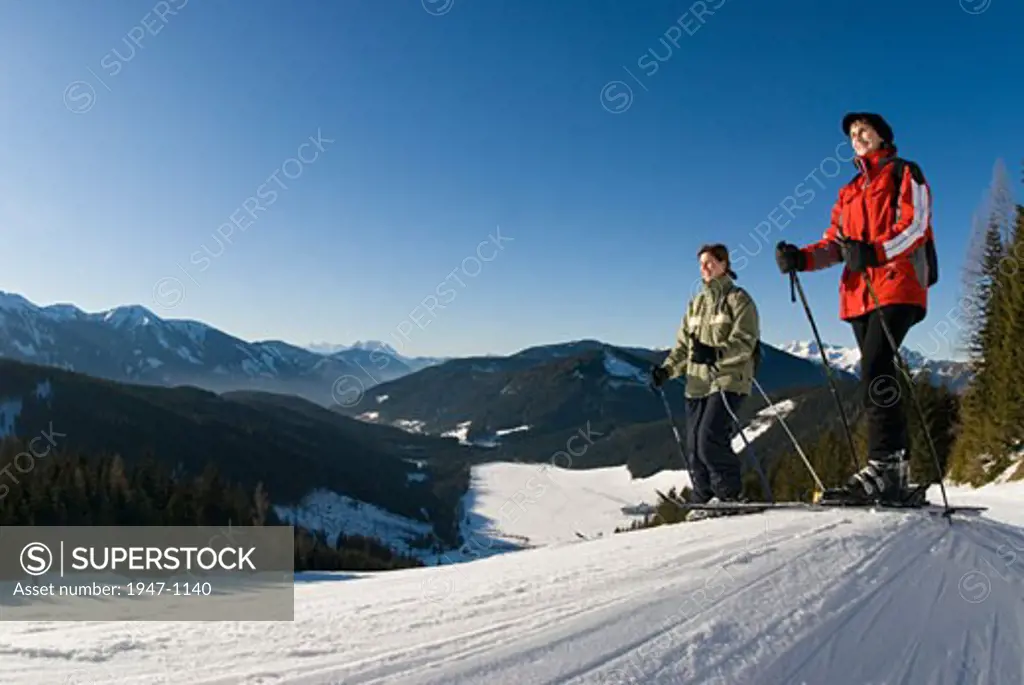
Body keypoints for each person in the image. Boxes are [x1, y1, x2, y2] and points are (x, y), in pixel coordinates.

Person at [775, 112, 934, 504]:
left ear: (883, 136)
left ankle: (884, 465)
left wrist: (875, 251)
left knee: (877, 365)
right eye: (852, 134)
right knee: (877, 373)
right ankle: (894, 467)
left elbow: (916, 226)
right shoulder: (847, 192)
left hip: (898, 285)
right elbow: (834, 244)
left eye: (864, 130)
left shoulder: (904, 172)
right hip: (858, 294)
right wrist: (801, 258)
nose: (857, 137)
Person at [650, 243, 761, 512]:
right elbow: (682, 348)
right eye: (701, 264)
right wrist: (666, 370)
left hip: (728, 379)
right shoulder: (696, 304)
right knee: (694, 448)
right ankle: (704, 499)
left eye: (710, 262)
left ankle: (728, 496)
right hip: (696, 384)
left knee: (709, 439)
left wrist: (716, 353)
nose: (705, 268)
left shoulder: (739, 300)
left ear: (724, 264)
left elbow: (745, 341)